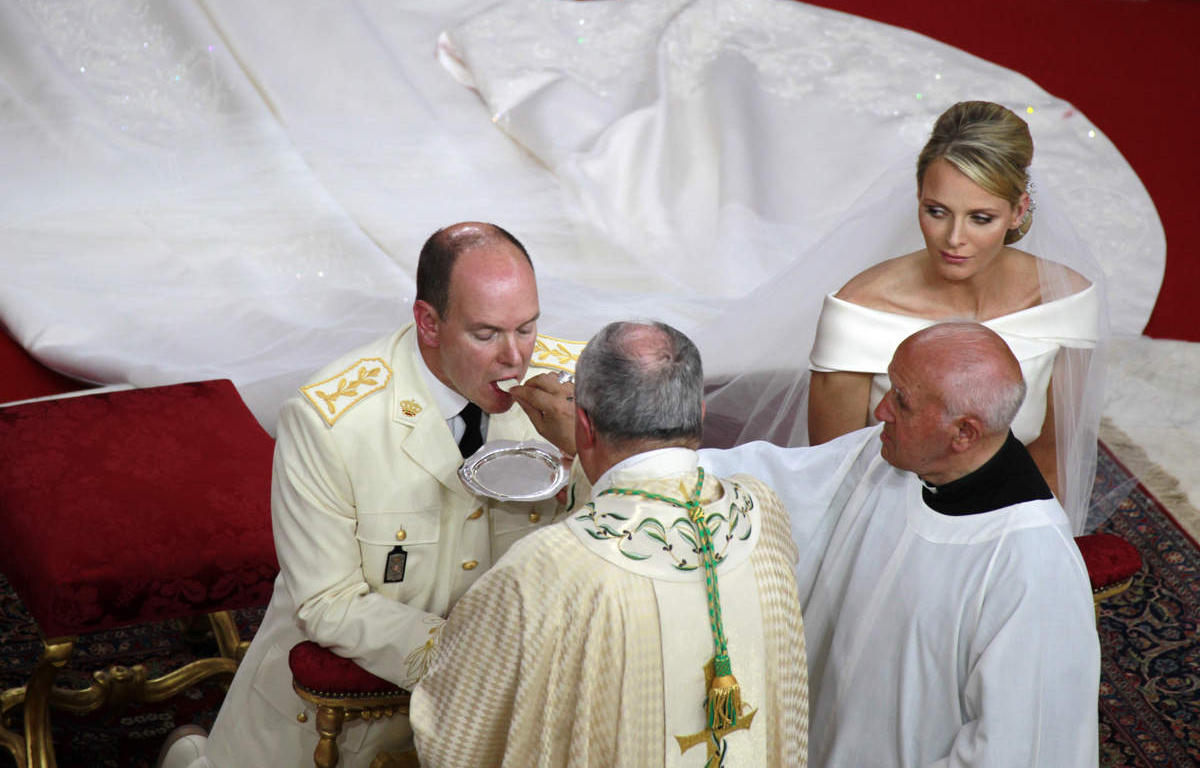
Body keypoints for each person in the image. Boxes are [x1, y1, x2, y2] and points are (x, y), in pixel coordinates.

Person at [157, 222, 581, 768]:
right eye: (486, 334)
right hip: (349, 727)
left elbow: (623, 530)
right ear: (428, 323)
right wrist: (471, 657)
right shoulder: (330, 422)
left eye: (527, 328)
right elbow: (327, 601)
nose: (516, 358)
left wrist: (588, 450)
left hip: (511, 722)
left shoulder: (577, 392)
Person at [409, 321, 810, 767]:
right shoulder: (760, 514)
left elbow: (455, 733)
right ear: (698, 412)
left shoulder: (545, 569)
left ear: (584, 423)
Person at [703, 322, 1101, 767]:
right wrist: (659, 471)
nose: (880, 410)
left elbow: (1019, 748)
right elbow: (785, 483)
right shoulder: (895, 456)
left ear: (964, 433)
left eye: (902, 401)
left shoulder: (1029, 566)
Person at [806, 100, 1103, 533]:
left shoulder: (1064, 303)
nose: (954, 239)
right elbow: (831, 477)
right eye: (936, 211)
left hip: (1007, 521)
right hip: (880, 528)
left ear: (1018, 212)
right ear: (919, 199)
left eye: (981, 218)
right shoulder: (860, 312)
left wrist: (1037, 552)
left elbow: (1052, 461)